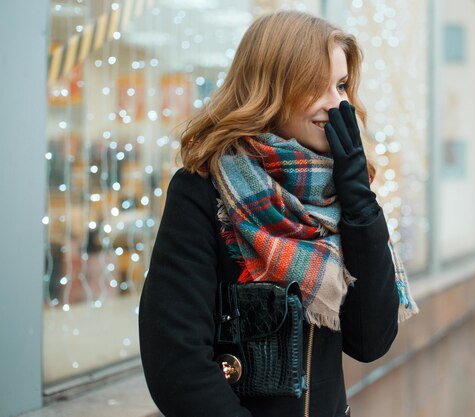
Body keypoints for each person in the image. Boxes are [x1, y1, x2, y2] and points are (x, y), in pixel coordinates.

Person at [138, 10, 418, 417]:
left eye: (340, 85)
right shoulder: (203, 188)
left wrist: (358, 196)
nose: (337, 104)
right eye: (316, 87)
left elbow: (370, 339)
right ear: (272, 89)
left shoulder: (338, 196)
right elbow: (177, 361)